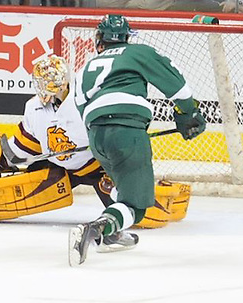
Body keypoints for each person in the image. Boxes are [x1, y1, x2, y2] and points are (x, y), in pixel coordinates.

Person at [0, 55, 191, 249]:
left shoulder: (85, 100)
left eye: (47, 84)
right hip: (57, 167)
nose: (43, 88)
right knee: (19, 186)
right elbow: (24, 144)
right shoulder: (33, 108)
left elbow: (111, 135)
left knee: (142, 213)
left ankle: (166, 193)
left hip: (97, 166)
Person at [68, 14, 206, 266]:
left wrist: (106, 131)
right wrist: (189, 113)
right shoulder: (137, 53)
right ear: (127, 38)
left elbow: (81, 109)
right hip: (128, 133)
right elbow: (176, 86)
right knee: (137, 205)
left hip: (97, 135)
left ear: (99, 40)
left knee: (123, 186)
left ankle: (112, 235)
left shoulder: (83, 69)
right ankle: (97, 229)